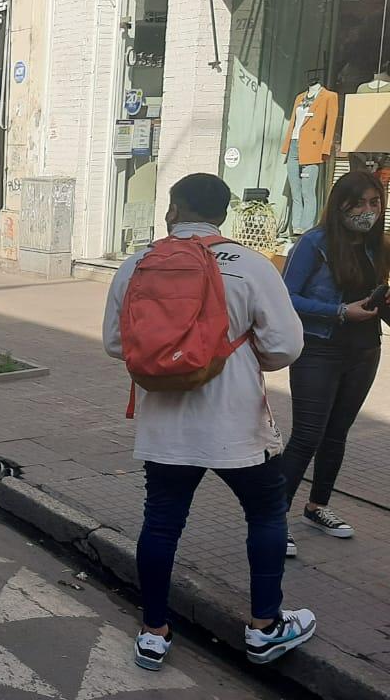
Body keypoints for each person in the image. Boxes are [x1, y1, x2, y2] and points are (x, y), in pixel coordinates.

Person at [103, 173, 314, 671]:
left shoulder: (138, 263)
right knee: (265, 514)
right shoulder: (252, 266)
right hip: (235, 422)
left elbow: (116, 344)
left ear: (174, 209)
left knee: (161, 523)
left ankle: (153, 633)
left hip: (165, 428)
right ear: (223, 213)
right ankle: (265, 628)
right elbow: (287, 345)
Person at [279, 171, 388, 554]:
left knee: (336, 434)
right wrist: (339, 311)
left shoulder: (378, 245)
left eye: (374, 203)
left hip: (364, 350)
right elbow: (285, 296)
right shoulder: (314, 243)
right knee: (307, 435)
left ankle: (317, 507)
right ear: (339, 203)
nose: (367, 211)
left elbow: (374, 301)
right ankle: (273, 521)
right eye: (358, 203)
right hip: (318, 349)